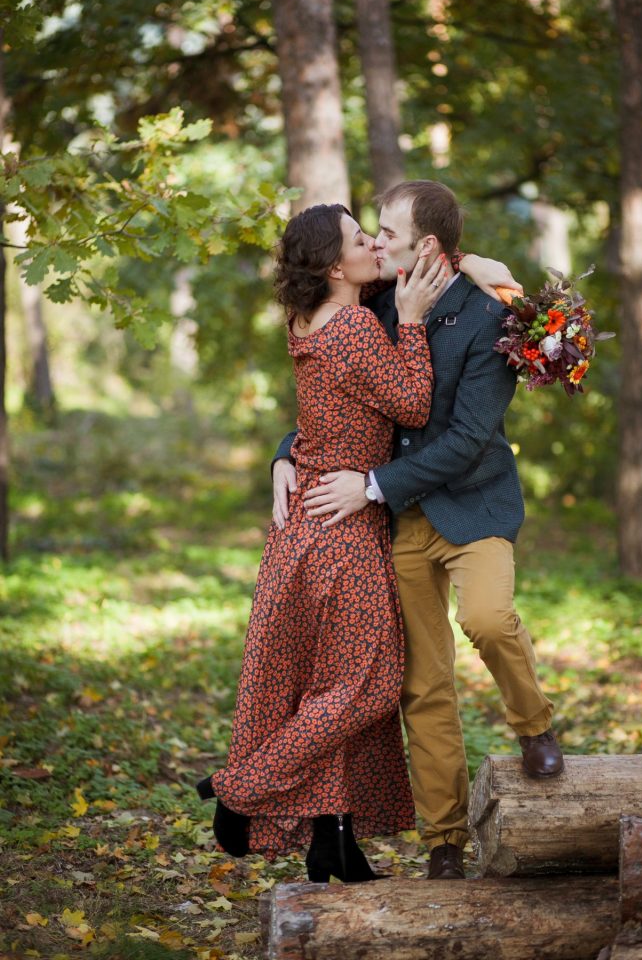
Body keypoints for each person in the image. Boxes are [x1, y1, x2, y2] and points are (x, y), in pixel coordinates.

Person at [273, 180, 564, 882]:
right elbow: (335, 393)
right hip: (403, 523)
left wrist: (372, 485)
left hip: (472, 506)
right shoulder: (372, 301)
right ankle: (443, 841)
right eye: (368, 234)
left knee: (489, 618)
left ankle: (535, 725)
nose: (375, 243)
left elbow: (467, 438)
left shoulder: (492, 318)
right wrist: (285, 452)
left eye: (387, 234)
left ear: (427, 246)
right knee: (422, 685)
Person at [198, 202, 455, 882]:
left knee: (327, 686)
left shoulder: (308, 315)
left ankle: (333, 838)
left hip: (304, 529)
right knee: (365, 686)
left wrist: (284, 454)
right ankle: (241, 790)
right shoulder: (353, 329)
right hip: (342, 530)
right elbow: (412, 404)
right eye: (359, 238)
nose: (374, 243)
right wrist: (410, 322)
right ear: (336, 267)